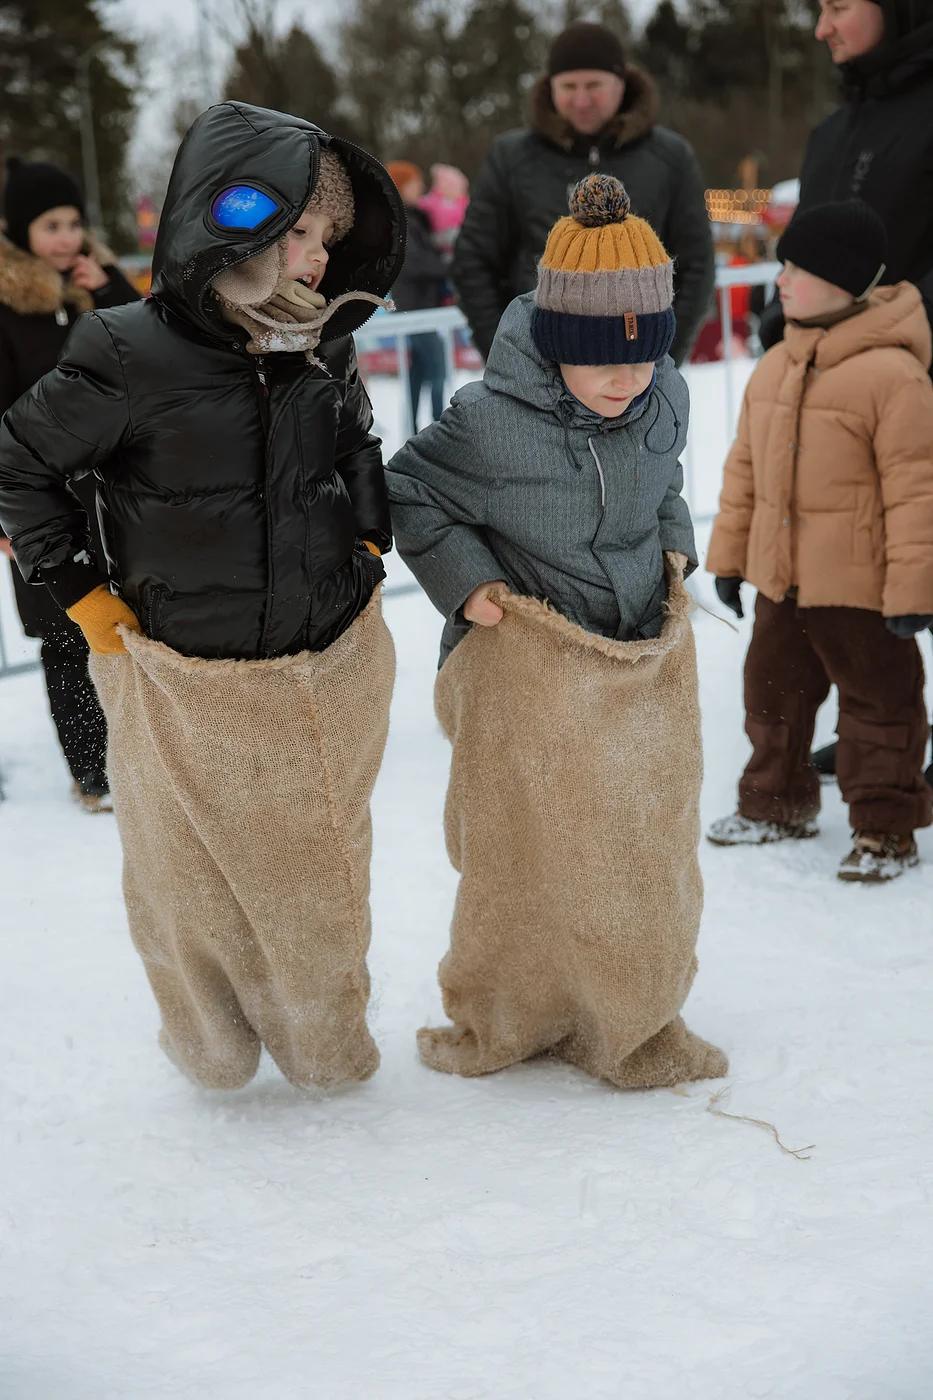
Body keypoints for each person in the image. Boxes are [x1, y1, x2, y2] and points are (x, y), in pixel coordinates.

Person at [0, 103, 405, 1092]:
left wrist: (365, 534)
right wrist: (80, 595)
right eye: (299, 232)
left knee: (318, 872)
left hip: (321, 654)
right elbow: (19, 463)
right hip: (187, 671)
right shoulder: (126, 349)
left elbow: (352, 440)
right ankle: (213, 1039)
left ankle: (323, 1042)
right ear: (232, 218)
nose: (315, 259)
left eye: (328, 239)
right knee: (195, 878)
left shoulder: (321, 338)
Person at [387, 175, 726, 1091]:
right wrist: (468, 583)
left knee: (639, 841)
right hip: (528, 669)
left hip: (633, 662)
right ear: (552, 342)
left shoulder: (664, 398)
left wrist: (672, 547)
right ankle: (515, 1005)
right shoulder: (489, 424)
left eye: (645, 354)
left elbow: (665, 487)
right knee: (524, 846)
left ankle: (632, 1010)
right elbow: (406, 490)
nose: (626, 378)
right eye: (599, 358)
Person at [706, 200, 933, 883]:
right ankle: (775, 802)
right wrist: (728, 559)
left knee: (879, 703)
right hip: (781, 577)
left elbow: (915, 491)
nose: (779, 280)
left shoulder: (893, 377)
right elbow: (742, 470)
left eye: (795, 268)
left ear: (843, 279)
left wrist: (912, 590)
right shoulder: (775, 364)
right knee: (769, 692)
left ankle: (885, 828)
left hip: (860, 587)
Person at [451, 21, 715, 367]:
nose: (581, 99)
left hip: (639, 372)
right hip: (538, 370)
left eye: (594, 85)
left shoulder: (670, 156)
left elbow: (697, 264)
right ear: (550, 87)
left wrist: (661, 359)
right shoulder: (511, 157)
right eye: (569, 86)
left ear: (621, 85)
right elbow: (472, 263)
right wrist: (509, 357)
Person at [0, 156, 138, 811]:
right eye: (50, 223)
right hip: (40, 500)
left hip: (115, 492)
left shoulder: (97, 290)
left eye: (74, 222)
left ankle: (141, 753)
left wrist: (108, 288)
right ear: (18, 231)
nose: (65, 236)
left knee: (131, 624)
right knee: (64, 636)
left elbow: (151, 353)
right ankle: (93, 772)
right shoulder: (6, 308)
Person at [386, 160, 448, 431]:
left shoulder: (413, 217)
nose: (421, 187)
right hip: (416, 308)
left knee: (420, 372)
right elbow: (415, 263)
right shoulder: (401, 221)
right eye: (414, 182)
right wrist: (449, 266)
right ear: (401, 187)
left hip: (420, 306)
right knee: (437, 371)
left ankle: (413, 430)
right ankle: (440, 427)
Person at [419, 164, 470, 262]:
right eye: (451, 186)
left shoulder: (465, 203)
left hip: (461, 245)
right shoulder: (431, 202)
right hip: (438, 247)